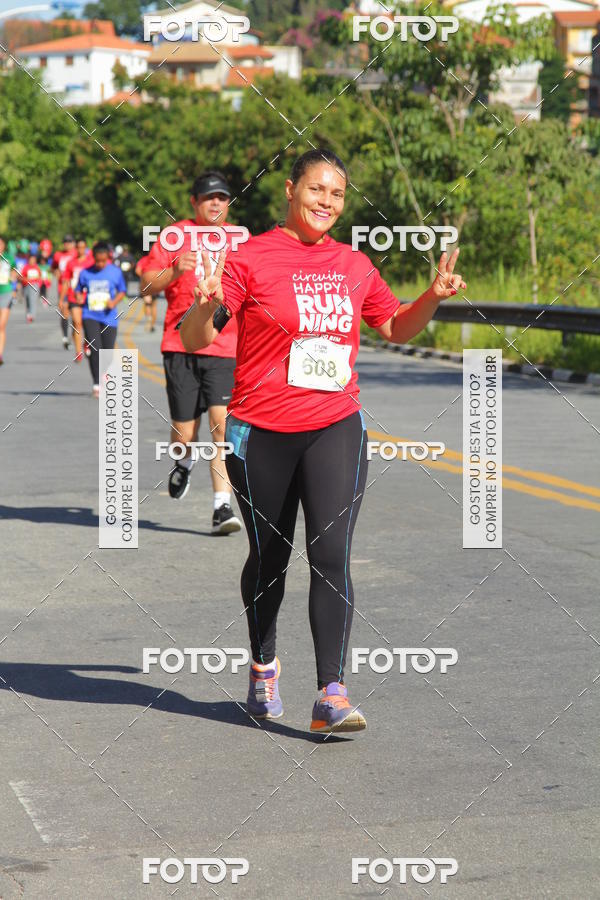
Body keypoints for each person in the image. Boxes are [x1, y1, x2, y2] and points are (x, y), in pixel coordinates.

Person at [180, 149, 466, 734]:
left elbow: (393, 326)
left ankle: (330, 694)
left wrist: (432, 296)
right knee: (271, 558)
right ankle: (263, 663)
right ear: (290, 190)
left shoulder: (354, 265)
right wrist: (206, 303)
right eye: (316, 190)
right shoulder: (250, 257)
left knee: (331, 556)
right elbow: (196, 333)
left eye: (337, 194)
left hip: (335, 424)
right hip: (260, 433)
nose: (326, 202)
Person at [141, 170, 242, 535]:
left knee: (222, 426)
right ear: (194, 202)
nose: (216, 202)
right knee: (185, 433)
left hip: (225, 345)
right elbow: (145, 286)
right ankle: (182, 464)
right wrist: (171, 270)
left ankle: (222, 507)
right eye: (209, 197)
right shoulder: (174, 236)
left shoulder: (240, 239)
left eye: (223, 197)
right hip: (179, 344)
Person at [76, 240, 126, 398]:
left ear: (108, 257)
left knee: (108, 352)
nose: (100, 264)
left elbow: (122, 291)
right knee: (95, 349)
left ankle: (104, 372)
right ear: (93, 257)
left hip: (109, 317)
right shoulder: (85, 273)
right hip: (90, 314)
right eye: (98, 261)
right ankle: (96, 383)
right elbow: (78, 290)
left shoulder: (115, 272)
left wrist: (114, 302)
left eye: (104, 261)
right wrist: (78, 297)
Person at [61, 238, 93, 362]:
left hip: (88, 297)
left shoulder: (90, 262)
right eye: (78, 247)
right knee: (77, 323)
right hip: (73, 296)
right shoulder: (71, 263)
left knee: (87, 324)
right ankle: (78, 351)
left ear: (85, 248)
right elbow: (65, 281)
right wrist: (62, 299)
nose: (80, 250)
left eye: (82, 247)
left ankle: (87, 342)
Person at [53, 235, 77, 349]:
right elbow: (53, 267)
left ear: (74, 243)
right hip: (62, 288)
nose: (67, 244)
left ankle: (75, 338)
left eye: (70, 242)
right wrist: (55, 271)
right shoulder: (58, 255)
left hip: (76, 289)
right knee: (65, 312)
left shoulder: (77, 254)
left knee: (77, 316)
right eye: (65, 242)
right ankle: (65, 338)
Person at [0, 236, 19, 365]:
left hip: (6, 292)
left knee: (1, 325)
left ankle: (0, 354)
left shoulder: (9, 258)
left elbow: (15, 271)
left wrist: (14, 280)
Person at [136, 255, 158, 332]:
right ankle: (152, 324)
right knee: (154, 304)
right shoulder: (157, 259)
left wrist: (144, 277)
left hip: (146, 285)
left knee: (147, 303)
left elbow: (137, 271)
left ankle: (148, 319)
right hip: (155, 284)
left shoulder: (143, 260)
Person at [20, 253, 43, 322]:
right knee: (27, 300)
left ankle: (32, 315)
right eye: (31, 260)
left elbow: (40, 276)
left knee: (33, 300)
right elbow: (21, 277)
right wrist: (25, 279)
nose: (32, 261)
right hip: (26, 285)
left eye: (34, 260)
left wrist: (38, 283)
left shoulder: (37, 267)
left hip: (34, 285)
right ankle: (28, 313)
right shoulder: (25, 267)